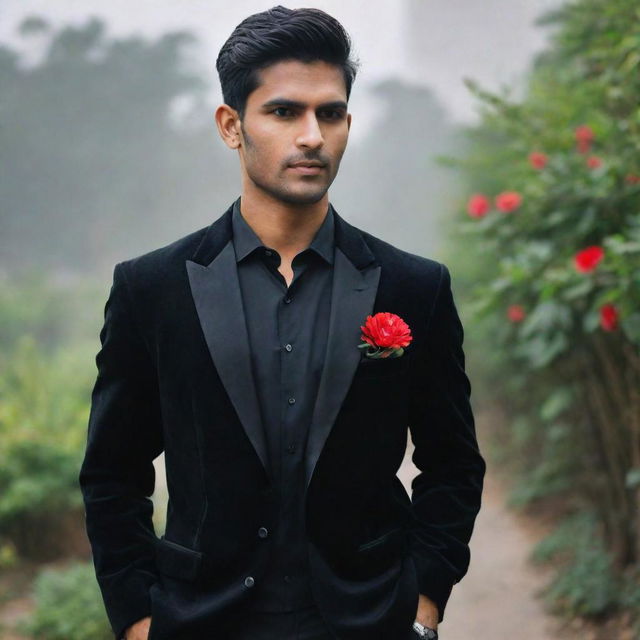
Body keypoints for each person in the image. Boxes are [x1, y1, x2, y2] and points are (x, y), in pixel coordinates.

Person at [78, 6, 485, 639]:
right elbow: (113, 472)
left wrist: (426, 594)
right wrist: (136, 616)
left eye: (330, 113)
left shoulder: (413, 286)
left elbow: (454, 465)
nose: (312, 136)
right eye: (283, 111)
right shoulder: (152, 288)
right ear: (230, 125)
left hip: (368, 615)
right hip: (202, 618)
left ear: (348, 122)